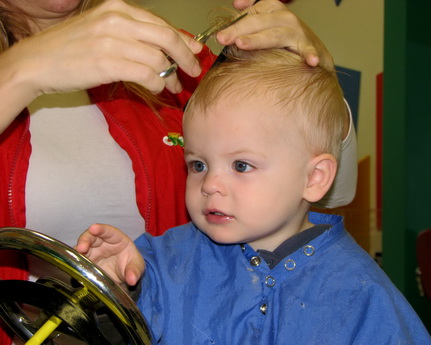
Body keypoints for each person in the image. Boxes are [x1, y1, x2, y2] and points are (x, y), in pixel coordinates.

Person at [0, 0, 357, 343]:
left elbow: (333, 191)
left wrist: (317, 75)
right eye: (199, 166)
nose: (212, 182)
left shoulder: (170, 58)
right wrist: (17, 74)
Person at [76, 46, 431, 344]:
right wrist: (117, 287)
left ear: (314, 178)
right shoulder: (165, 260)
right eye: (198, 165)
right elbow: (110, 331)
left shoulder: (360, 295)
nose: (210, 185)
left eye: (241, 166)